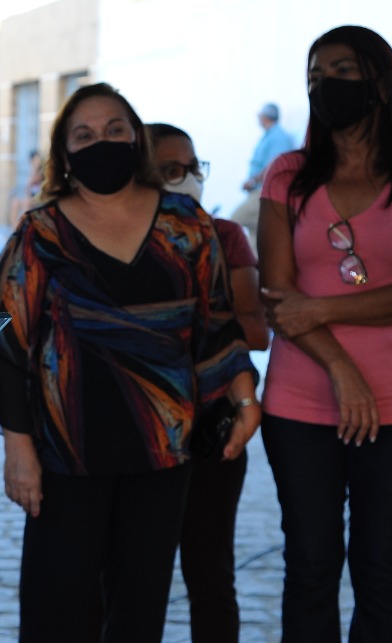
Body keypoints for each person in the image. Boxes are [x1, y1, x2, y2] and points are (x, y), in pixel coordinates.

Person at [0, 83, 259, 643]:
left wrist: (245, 400)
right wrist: (19, 452)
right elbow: (10, 348)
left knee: (138, 612)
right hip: (65, 457)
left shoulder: (187, 225)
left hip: (163, 453)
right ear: (65, 153)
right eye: (84, 134)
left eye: (115, 130)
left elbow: (216, 323)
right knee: (59, 612)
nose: (101, 142)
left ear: (136, 140)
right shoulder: (40, 232)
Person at [257, 25, 392, 643]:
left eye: (341, 69)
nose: (325, 83)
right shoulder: (286, 176)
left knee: (381, 566)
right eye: (315, 73)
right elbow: (276, 299)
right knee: (311, 565)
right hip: (300, 403)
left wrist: (317, 311)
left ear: (380, 81)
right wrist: (344, 370)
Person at [150, 122, 270, 643]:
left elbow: (256, 331)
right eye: (171, 170)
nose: (189, 179)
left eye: (194, 168)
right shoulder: (111, 240)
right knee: (134, 575)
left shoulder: (224, 235)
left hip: (213, 426)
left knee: (209, 569)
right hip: (139, 429)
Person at [230, 102, 294, 248]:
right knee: (256, 238)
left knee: (233, 221)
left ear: (265, 117)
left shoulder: (278, 137)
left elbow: (274, 166)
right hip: (259, 192)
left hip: (264, 192)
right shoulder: (268, 136)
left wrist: (252, 181)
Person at [8, 150, 44, 227]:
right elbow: (27, 187)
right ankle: (15, 228)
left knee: (26, 204)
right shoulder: (31, 169)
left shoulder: (41, 171)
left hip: (37, 196)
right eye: (34, 160)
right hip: (30, 195)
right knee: (15, 203)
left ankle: (24, 229)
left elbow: (33, 182)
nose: (36, 161)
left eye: (37, 159)